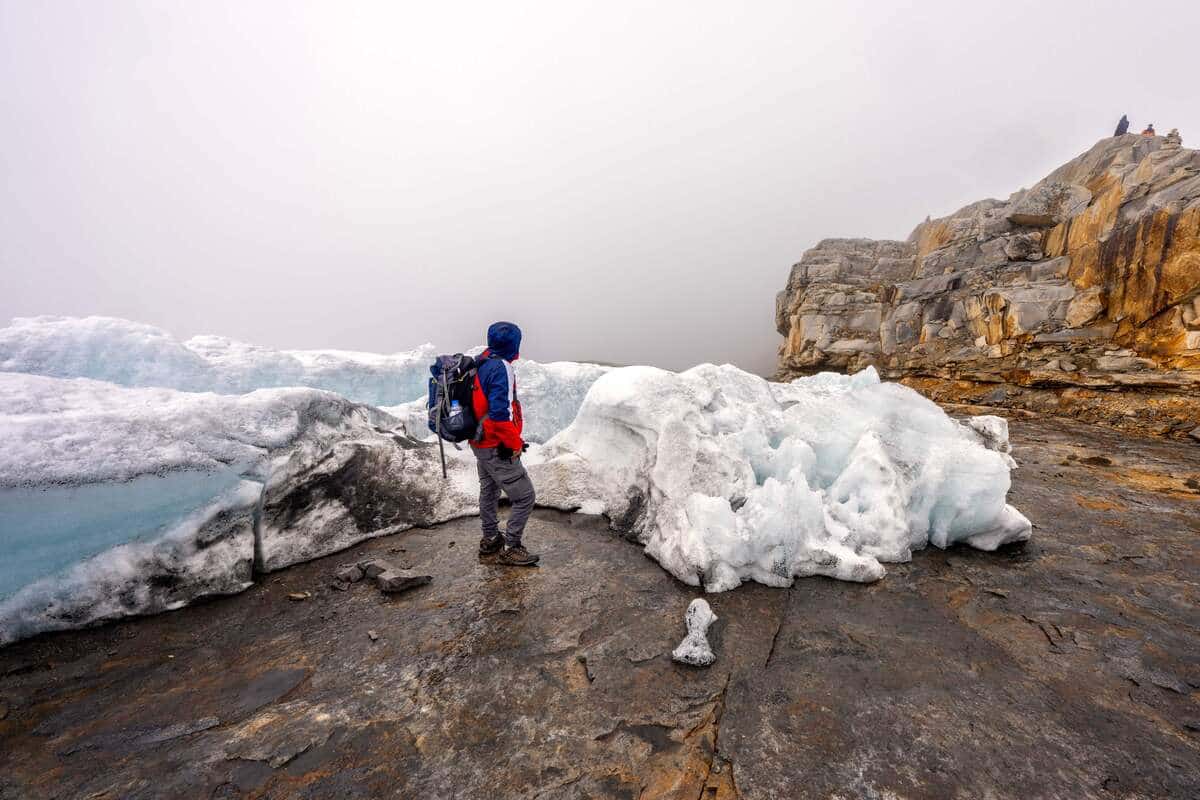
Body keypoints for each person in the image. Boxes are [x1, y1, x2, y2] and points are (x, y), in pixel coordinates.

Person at [471, 321, 539, 566]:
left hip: (479, 441)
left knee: (489, 490)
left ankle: (490, 538)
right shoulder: (502, 368)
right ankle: (511, 546)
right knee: (525, 497)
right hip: (495, 443)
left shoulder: (482, 361)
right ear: (515, 345)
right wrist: (514, 444)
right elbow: (501, 414)